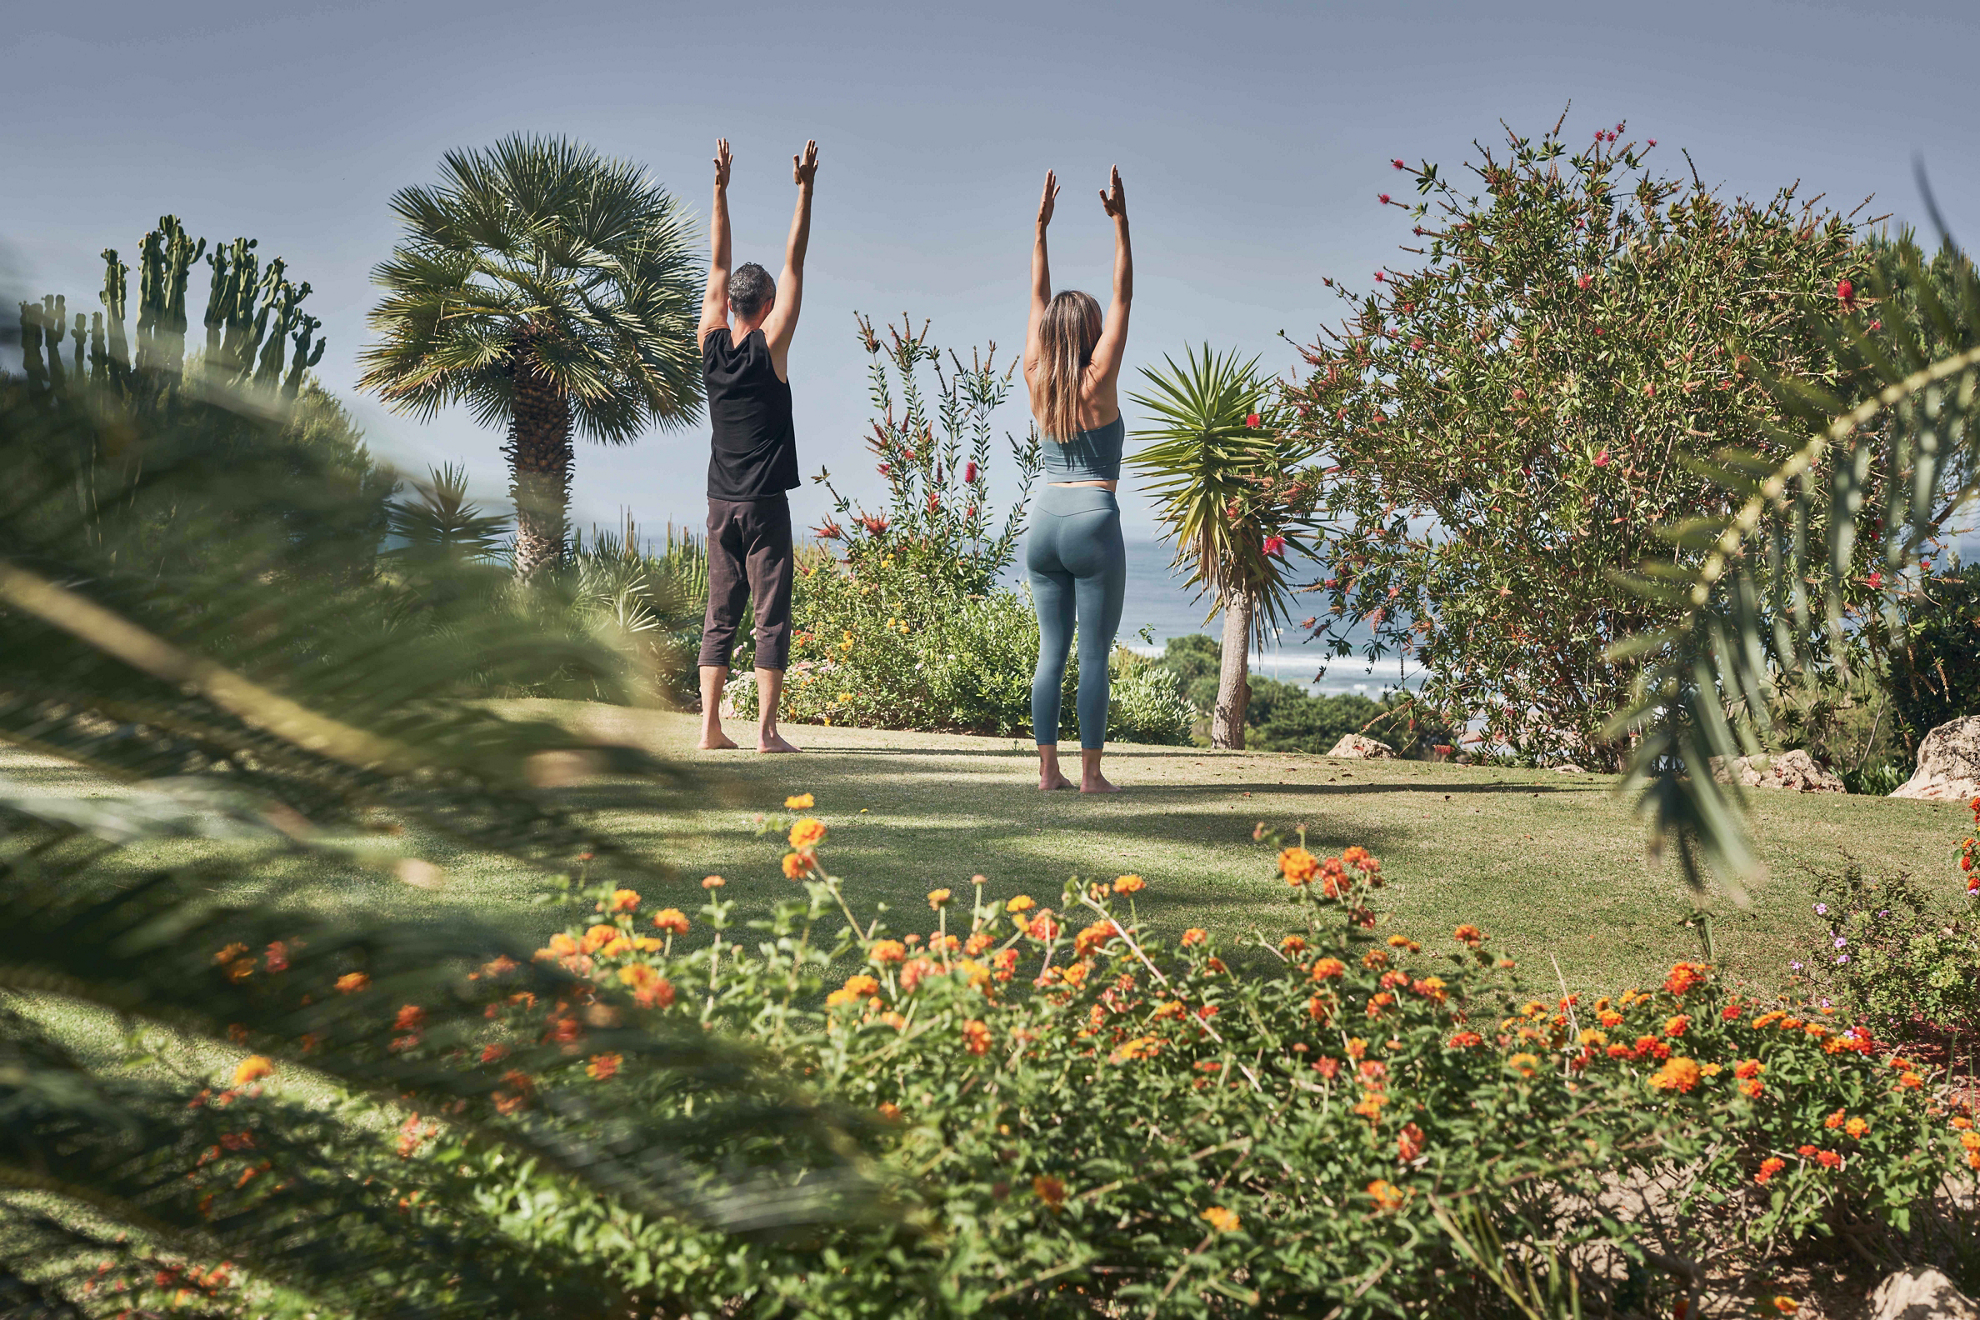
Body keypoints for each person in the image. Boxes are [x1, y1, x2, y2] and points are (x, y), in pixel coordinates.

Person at [696, 137, 817, 754]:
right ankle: (767, 733)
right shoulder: (773, 347)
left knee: (722, 611)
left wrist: (719, 190)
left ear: (730, 306)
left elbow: (717, 266)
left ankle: (709, 729)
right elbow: (794, 261)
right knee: (770, 613)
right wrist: (805, 188)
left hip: (720, 502)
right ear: (767, 308)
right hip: (765, 502)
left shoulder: (709, 344)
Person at [1023, 165, 1132, 793]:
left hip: (1042, 522)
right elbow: (1124, 296)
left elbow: (1036, 297)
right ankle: (1090, 776)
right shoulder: (1099, 380)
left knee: (1050, 653)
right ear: (1090, 333)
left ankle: (1048, 773)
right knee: (1092, 655)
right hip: (1093, 518)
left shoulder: (1039, 377)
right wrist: (1120, 222)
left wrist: (1040, 230)